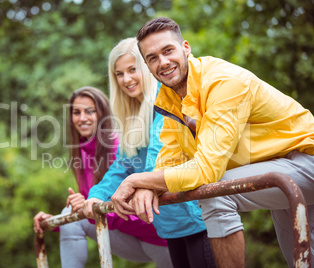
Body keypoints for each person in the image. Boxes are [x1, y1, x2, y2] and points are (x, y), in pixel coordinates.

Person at [110, 17, 314, 268]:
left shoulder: (223, 82)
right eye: (152, 58)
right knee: (302, 261)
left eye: (168, 51)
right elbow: (171, 156)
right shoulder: (170, 98)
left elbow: (207, 169)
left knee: (215, 194)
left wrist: (136, 180)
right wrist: (150, 185)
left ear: (186, 48)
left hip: (304, 160)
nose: (163, 62)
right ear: (147, 65)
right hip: (277, 168)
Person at [82, 37, 216, 268]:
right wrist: (96, 195)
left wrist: (138, 183)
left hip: (196, 215)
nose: (126, 79)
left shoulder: (166, 99)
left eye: (132, 69)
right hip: (168, 223)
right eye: (119, 74)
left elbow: (160, 151)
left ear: (146, 67)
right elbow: (122, 166)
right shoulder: (131, 116)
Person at [33, 86, 172, 268]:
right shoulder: (81, 152)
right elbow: (88, 211)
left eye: (89, 111)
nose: (82, 118)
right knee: (67, 214)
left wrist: (94, 210)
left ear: (103, 114)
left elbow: (141, 212)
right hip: (129, 239)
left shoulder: (119, 148)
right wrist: (57, 221)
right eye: (76, 112)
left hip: (159, 238)